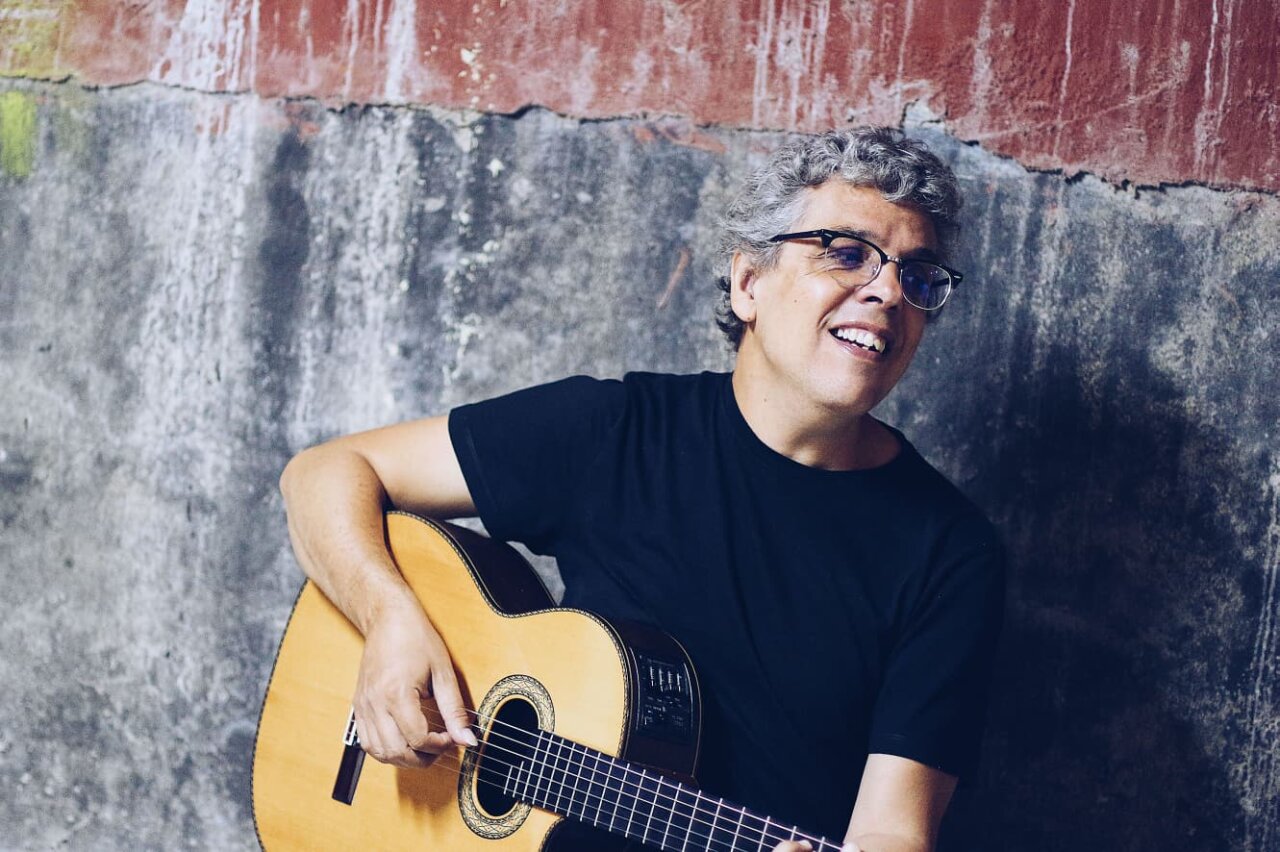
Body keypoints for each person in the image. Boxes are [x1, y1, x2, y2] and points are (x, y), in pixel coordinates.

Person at [280, 127, 1005, 852]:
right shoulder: (616, 432)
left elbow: (893, 831)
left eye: (917, 276)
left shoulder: (950, 553)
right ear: (749, 284)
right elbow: (323, 473)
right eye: (845, 253)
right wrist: (389, 621)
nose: (888, 292)